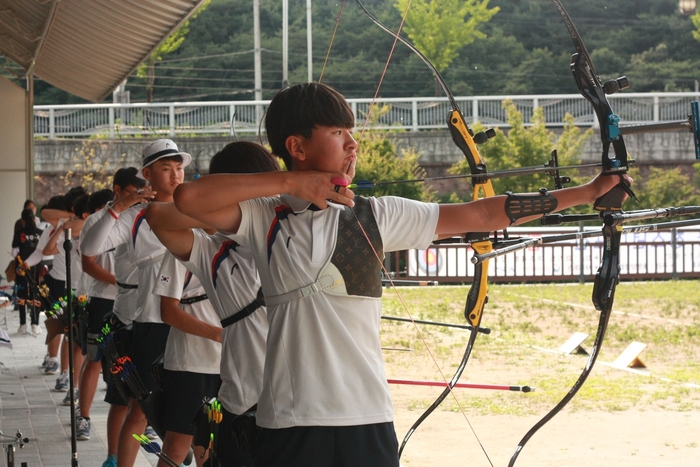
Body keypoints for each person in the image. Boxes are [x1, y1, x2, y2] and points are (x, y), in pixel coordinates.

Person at [173, 82, 632, 467]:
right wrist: (290, 183)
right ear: (297, 147)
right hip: (291, 419)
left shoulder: (379, 215)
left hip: (367, 416)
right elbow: (188, 200)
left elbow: (482, 214)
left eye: (352, 132)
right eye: (338, 132)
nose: (354, 144)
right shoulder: (264, 217)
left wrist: (587, 192)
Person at [146, 141, 279, 465]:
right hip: (233, 397)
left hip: (297, 412)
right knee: (180, 441)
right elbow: (158, 215)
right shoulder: (214, 250)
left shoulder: (293, 240)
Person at [80, 139, 190, 467]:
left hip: (195, 320)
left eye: (179, 168)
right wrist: (119, 206)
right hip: (153, 321)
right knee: (141, 409)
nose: (175, 175)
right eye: (166, 169)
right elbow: (90, 247)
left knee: (195, 409)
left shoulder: (195, 207)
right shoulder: (136, 216)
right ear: (147, 173)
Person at [11, 208, 43, 335]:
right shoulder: (40, 232)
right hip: (37, 268)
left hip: (21, 269)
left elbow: (14, 252)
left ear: (22, 220)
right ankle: (35, 324)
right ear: (34, 219)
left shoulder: (19, 233)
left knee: (22, 294)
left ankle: (22, 324)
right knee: (36, 294)